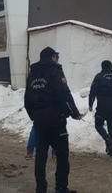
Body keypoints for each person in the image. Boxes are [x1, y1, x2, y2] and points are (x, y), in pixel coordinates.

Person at [24, 47, 81, 193]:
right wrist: (74, 112)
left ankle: (40, 188)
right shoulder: (55, 71)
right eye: (56, 56)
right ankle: (61, 187)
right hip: (56, 120)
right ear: (52, 57)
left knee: (40, 156)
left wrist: (34, 116)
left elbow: (27, 100)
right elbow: (64, 93)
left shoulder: (32, 75)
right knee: (62, 156)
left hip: (40, 122)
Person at [88, 60, 112, 157]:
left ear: (102, 67)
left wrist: (90, 104)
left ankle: (107, 139)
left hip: (102, 107)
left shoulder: (98, 77)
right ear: (111, 66)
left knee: (98, 125)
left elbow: (92, 92)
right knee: (111, 128)